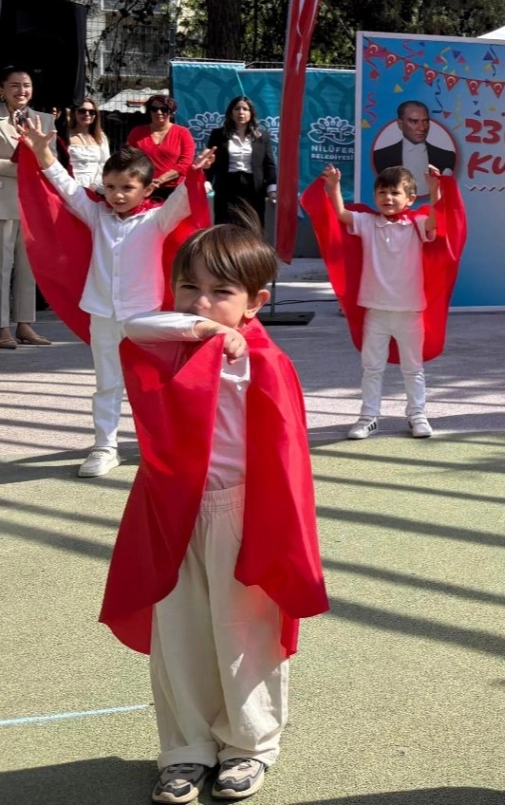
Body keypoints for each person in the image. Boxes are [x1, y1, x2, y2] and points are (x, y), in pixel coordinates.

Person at [107, 225, 326, 804]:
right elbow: (132, 325)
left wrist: (228, 342)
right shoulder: (176, 341)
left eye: (221, 292)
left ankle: (249, 745)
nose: (200, 302)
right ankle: (186, 748)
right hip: (171, 508)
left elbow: (284, 455)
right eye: (189, 287)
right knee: (177, 631)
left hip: (242, 508)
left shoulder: (263, 360)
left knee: (245, 632)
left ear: (257, 302)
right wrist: (204, 327)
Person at [15, 119, 212, 477]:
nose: (117, 195)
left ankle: (157, 445)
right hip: (102, 314)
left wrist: (194, 175)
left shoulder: (156, 219)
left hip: (144, 317)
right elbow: (66, 188)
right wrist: (44, 154)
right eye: (110, 187)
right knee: (107, 384)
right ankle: (105, 447)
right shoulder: (96, 215)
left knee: (151, 384)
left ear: (147, 188)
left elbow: (183, 202)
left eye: (126, 188)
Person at [302, 163, 467, 442]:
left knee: (413, 368)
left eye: (394, 192)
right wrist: (333, 186)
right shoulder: (367, 222)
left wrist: (436, 189)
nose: (387, 198)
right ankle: (368, 417)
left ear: (410, 198)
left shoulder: (416, 224)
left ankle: (417, 415)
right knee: (372, 368)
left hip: (410, 310)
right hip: (375, 310)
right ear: (375, 196)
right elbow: (340, 214)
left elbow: (436, 221)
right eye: (381, 192)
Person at [0, 67, 55, 348]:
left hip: (32, 203)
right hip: (3, 200)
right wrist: (22, 167)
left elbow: (51, 161)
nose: (21, 91)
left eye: (26, 85)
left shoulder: (44, 120)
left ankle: (25, 324)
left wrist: (37, 164)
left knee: (28, 266)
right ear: (2, 90)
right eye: (14, 85)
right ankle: (2, 327)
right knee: (2, 266)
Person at [205, 96, 278, 227]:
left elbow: (269, 165)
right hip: (227, 186)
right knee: (226, 226)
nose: (241, 112)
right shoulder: (218, 134)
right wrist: (206, 183)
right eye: (237, 109)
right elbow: (210, 161)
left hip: (253, 188)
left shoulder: (262, 136)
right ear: (230, 112)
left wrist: (272, 188)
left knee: (252, 225)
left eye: (245, 109)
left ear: (251, 113)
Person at [371, 100, 456, 190]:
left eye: (425, 121)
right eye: (414, 121)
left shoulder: (448, 157)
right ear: (400, 123)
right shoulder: (380, 157)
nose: (422, 128)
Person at [128, 94, 197, 201]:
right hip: (143, 188)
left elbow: (185, 163)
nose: (159, 112)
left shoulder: (183, 133)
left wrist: (160, 180)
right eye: (154, 109)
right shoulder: (137, 132)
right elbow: (128, 158)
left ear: (171, 112)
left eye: (164, 109)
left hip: (175, 190)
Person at [63, 96, 111, 192]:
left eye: (92, 112)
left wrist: (96, 185)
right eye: (82, 111)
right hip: (70, 186)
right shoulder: (65, 136)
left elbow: (105, 164)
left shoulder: (101, 137)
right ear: (74, 113)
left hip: (96, 187)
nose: (87, 114)